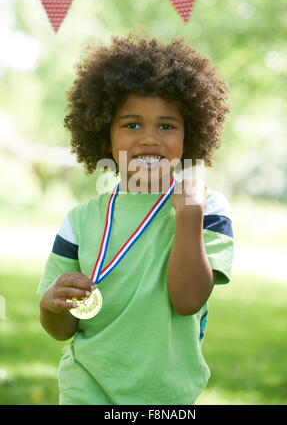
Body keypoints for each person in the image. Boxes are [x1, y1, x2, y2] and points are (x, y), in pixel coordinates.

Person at [38, 29, 234, 405]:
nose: (149, 138)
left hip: (165, 395)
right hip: (85, 388)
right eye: (131, 125)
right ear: (103, 135)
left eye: (166, 125)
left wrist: (188, 217)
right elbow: (62, 329)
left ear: (188, 135)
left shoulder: (207, 208)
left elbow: (188, 299)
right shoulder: (79, 221)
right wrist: (51, 304)